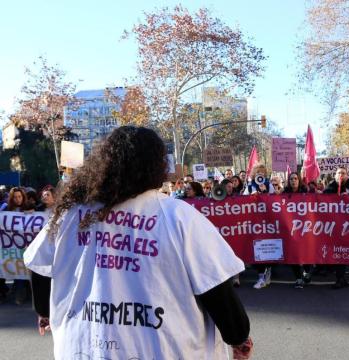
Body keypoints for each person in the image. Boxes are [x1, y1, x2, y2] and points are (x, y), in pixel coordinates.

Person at [23, 127, 253, 359]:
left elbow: (39, 266)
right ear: (157, 166)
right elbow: (216, 289)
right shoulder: (180, 217)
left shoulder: (69, 216)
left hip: (83, 347)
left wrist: (42, 310)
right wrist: (238, 338)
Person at [324, 167, 349, 289]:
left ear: (347, 175)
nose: (341, 175)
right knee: (337, 251)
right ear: (335, 175)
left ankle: (341, 278)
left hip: (348, 225)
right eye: (339, 173)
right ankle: (340, 277)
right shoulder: (330, 188)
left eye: (343, 173)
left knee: (343, 251)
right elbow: (323, 200)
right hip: (334, 226)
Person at [244, 164, 275, 289]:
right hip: (255, 222)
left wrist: (265, 192)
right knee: (258, 248)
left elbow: (275, 200)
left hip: (268, 221)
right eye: (258, 172)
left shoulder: (269, 184)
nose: (260, 174)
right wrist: (252, 195)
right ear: (254, 174)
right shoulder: (250, 185)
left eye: (262, 172)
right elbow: (243, 200)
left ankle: (267, 273)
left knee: (268, 247)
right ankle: (261, 276)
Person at [284, 173, 313, 288]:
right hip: (291, 228)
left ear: (299, 180)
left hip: (305, 226)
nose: (293, 181)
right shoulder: (284, 193)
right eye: (291, 179)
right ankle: (298, 278)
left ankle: (306, 271)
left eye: (295, 179)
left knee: (306, 250)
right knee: (293, 253)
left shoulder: (306, 192)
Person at [0, 187, 28, 304]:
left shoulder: (28, 208)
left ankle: (20, 293)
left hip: (23, 246)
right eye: (15, 197)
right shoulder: (6, 209)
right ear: (12, 198)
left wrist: (31, 212)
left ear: (23, 197)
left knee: (21, 269)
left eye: (19, 197)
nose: (17, 199)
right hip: (9, 246)